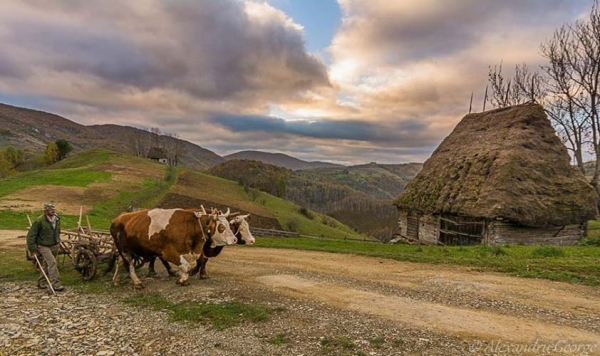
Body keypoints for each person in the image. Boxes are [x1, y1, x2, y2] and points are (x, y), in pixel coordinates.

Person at [26, 202, 65, 292]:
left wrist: (58, 241)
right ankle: (56, 284)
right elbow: (31, 236)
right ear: (46, 211)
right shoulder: (39, 221)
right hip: (43, 246)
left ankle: (41, 282)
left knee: (47, 264)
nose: (53, 211)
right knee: (52, 263)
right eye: (50, 210)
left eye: (53, 209)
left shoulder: (57, 219)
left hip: (54, 244)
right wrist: (33, 249)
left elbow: (57, 231)